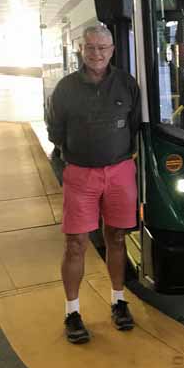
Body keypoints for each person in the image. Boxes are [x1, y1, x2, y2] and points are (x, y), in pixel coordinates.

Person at [46, 24, 141, 344]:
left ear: (112, 50)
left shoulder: (127, 85)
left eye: (102, 48)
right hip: (81, 174)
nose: (96, 54)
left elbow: (134, 126)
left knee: (116, 237)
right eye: (90, 48)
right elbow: (55, 132)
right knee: (75, 244)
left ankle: (118, 302)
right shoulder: (65, 89)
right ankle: (72, 312)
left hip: (120, 171)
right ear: (80, 51)